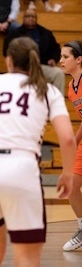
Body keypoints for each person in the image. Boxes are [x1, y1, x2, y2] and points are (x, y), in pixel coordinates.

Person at [0, 36, 76, 266]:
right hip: (21, 169)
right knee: (27, 259)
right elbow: (68, 139)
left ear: (8, 61)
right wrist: (67, 173)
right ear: (35, 61)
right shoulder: (48, 90)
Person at [3, 8, 65, 93]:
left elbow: (55, 49)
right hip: (21, 68)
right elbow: (6, 50)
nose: (31, 18)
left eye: (33, 16)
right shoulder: (14, 34)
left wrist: (53, 59)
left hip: (41, 67)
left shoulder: (46, 33)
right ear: (23, 18)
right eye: (28, 16)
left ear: (36, 18)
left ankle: (57, 102)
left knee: (58, 73)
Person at [60, 40, 82, 252]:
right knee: (72, 187)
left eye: (65, 57)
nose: (61, 61)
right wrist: (75, 141)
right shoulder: (71, 88)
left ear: (78, 59)